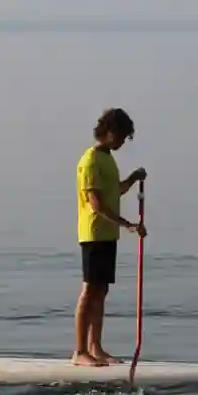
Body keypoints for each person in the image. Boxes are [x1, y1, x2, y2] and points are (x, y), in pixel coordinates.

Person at [73, 107, 147, 367]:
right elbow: (96, 204)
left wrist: (133, 178)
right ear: (109, 131)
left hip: (108, 234)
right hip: (93, 233)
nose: (122, 142)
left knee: (101, 291)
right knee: (90, 290)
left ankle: (97, 347)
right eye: (122, 136)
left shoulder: (108, 159)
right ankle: (80, 351)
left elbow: (115, 192)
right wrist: (127, 224)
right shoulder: (90, 159)